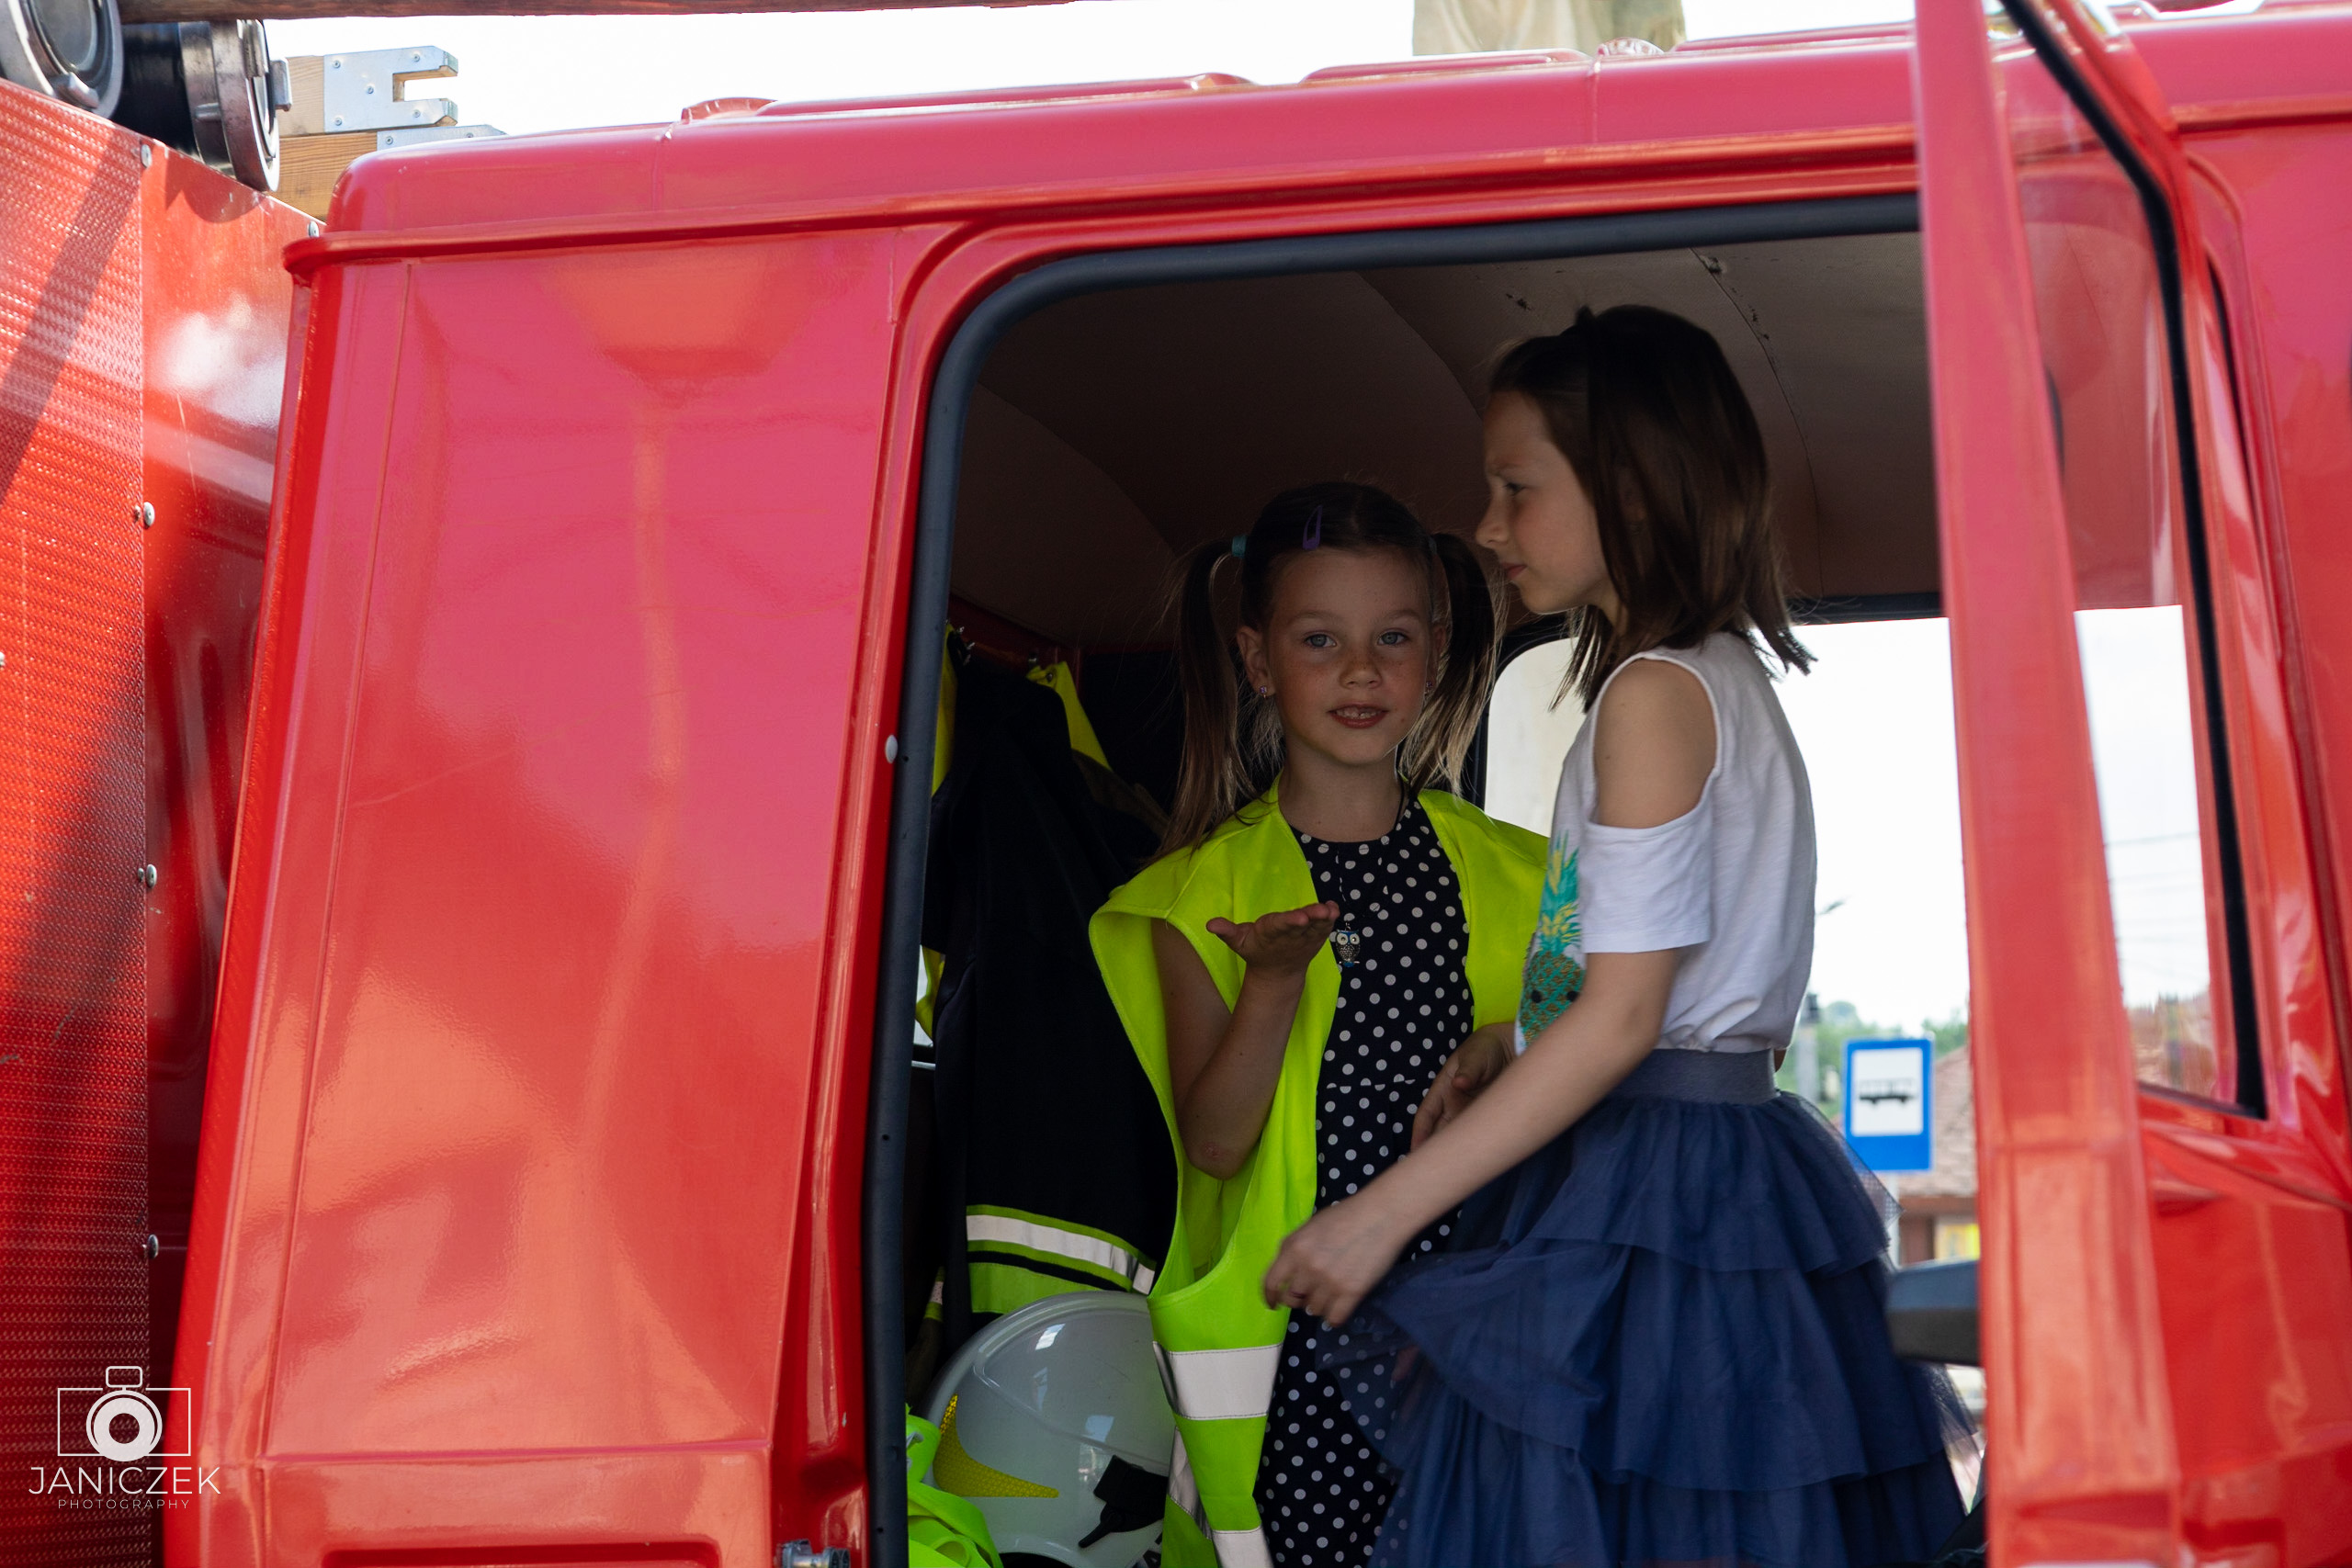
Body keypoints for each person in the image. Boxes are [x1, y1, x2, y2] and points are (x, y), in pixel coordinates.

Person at [1262, 308, 1972, 1567]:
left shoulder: (1654, 695)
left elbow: (1631, 1015)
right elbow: (1664, 987)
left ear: (1631, 491)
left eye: (1517, 488)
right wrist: (1517, 1029)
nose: (1488, 527)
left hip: (1657, 1179)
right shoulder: (1720, 679)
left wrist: (1377, 1215)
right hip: (1720, 1159)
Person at [1089, 481, 1547, 1568]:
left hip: (1493, 1331)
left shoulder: (1526, 877)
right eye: (1319, 640)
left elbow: (1590, 1061)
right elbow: (1215, 1145)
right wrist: (1272, 986)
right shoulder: (1196, 897)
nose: (1360, 671)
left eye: (1392, 637)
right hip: (1303, 1351)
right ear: (1257, 661)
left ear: (1436, 652)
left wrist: (1506, 1047)